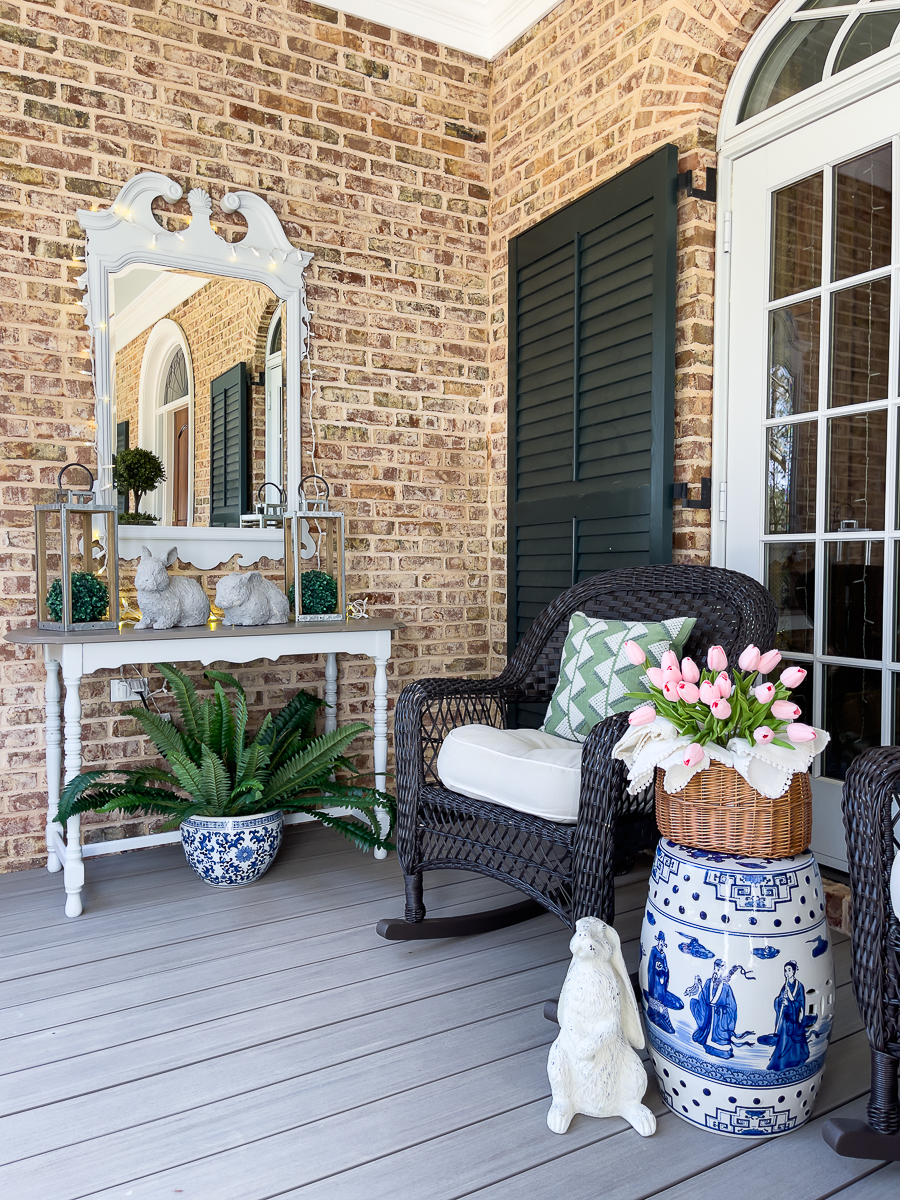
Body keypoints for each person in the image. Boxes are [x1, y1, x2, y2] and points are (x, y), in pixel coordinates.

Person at [686, 959, 753, 1058]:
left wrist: (722, 1010)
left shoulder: (726, 987)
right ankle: (707, 1040)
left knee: (721, 1042)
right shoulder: (708, 982)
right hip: (709, 1017)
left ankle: (719, 1047)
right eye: (715, 969)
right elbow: (704, 998)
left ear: (722, 972)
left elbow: (731, 1007)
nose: (715, 972)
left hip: (719, 1020)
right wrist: (700, 985)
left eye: (718, 970)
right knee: (695, 1004)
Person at [759, 960, 813, 1072]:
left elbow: (801, 1004)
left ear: (794, 971)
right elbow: (779, 999)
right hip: (785, 1018)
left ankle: (795, 1059)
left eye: (789, 970)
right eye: (785, 970)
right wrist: (779, 1001)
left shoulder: (799, 986)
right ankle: (781, 1061)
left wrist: (791, 1002)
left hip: (794, 1018)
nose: (786, 972)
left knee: (794, 1041)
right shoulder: (785, 986)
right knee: (784, 1041)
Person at [643, 931, 684, 1033]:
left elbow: (666, 969)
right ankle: (656, 1013)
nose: (661, 943)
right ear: (658, 941)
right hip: (655, 982)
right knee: (657, 997)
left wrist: (664, 972)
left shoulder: (663, 954)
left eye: (663, 941)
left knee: (677, 1002)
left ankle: (661, 1014)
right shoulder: (654, 951)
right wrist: (657, 971)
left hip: (662, 983)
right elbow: (650, 968)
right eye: (660, 941)